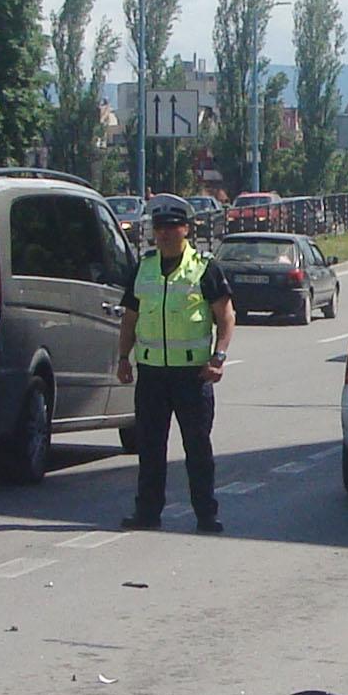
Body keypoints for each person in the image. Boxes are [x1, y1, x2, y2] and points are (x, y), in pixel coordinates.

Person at [115, 195, 236, 532]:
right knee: (150, 448)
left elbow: (226, 316)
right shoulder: (144, 268)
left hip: (192, 375)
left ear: (186, 229)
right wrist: (123, 358)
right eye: (159, 228)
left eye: (172, 227)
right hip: (152, 375)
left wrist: (219, 357)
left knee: (197, 449)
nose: (165, 234)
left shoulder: (205, 268)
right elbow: (130, 318)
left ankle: (206, 514)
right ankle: (147, 513)